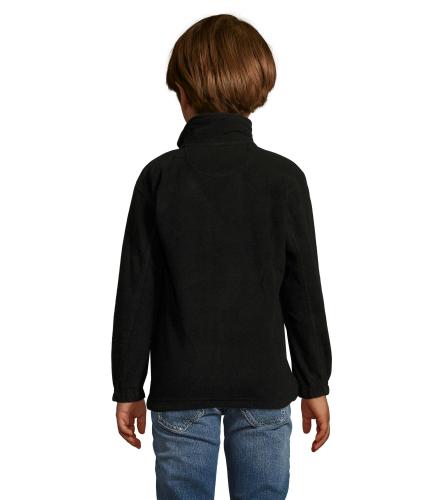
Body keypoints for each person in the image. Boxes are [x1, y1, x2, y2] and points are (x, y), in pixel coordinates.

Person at [111, 13, 332, 500]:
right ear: (258, 88)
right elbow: (302, 295)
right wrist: (314, 383)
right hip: (264, 389)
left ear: (183, 93)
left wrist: (127, 387)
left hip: (180, 388)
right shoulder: (284, 179)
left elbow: (137, 293)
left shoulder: (159, 178)